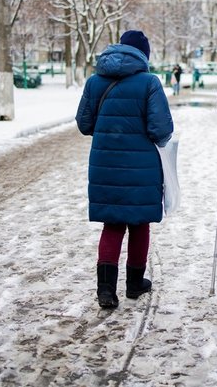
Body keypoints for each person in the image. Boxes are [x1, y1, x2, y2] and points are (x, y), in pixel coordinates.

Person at [76, 30, 174, 309]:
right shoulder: (149, 83)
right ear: (144, 54)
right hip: (142, 167)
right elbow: (161, 130)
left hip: (105, 165)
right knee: (139, 224)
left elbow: (84, 124)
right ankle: (134, 284)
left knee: (113, 224)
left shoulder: (95, 82)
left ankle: (105, 290)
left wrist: (110, 132)